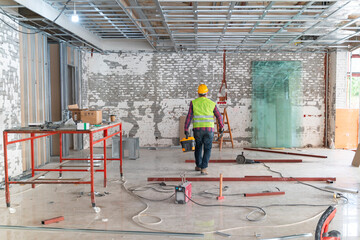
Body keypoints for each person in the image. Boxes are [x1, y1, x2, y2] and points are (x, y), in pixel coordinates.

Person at [184, 84, 224, 175]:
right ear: (207, 93)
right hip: (209, 130)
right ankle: (204, 168)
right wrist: (221, 127)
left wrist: (186, 129)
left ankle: (198, 165)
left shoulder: (193, 103)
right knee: (207, 148)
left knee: (198, 147)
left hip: (197, 130)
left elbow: (189, 117)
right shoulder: (211, 103)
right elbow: (219, 116)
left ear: (198, 93)